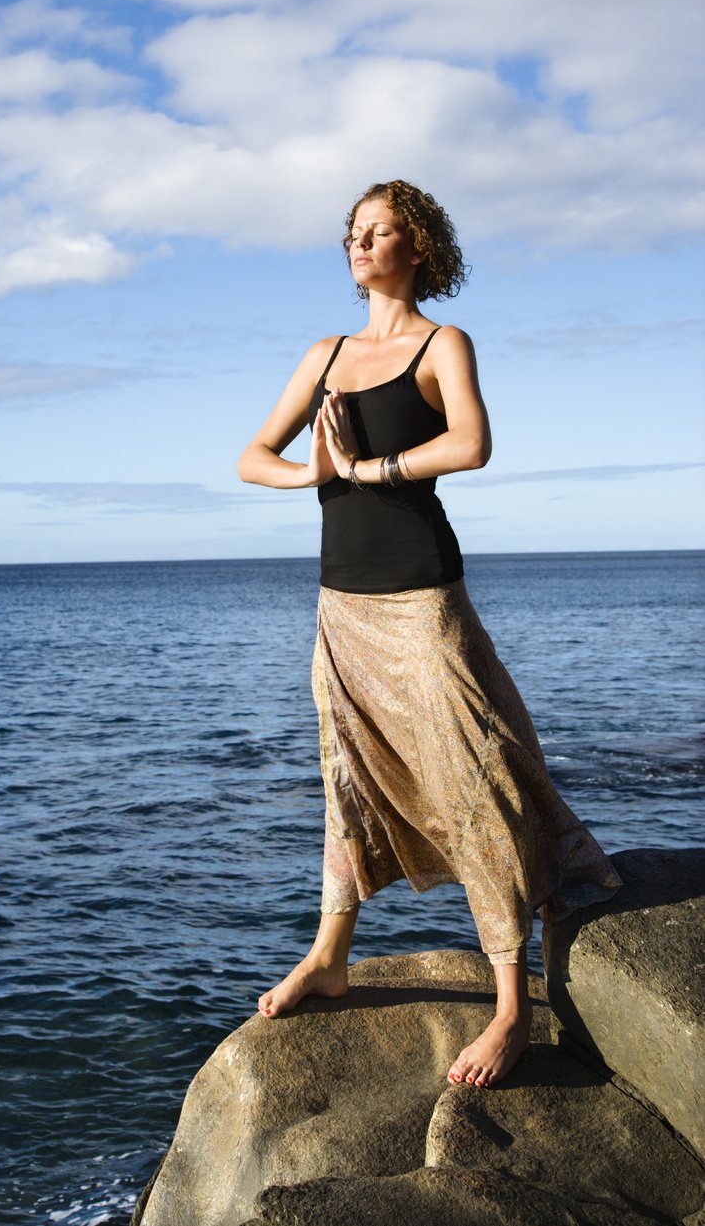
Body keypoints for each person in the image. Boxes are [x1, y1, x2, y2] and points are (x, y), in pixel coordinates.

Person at [236, 179, 622, 1087]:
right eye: (353, 234)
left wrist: (370, 467)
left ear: (420, 247)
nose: (362, 245)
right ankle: (331, 956)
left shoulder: (443, 344)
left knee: (472, 778)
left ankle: (512, 1006)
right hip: (341, 603)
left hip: (421, 597)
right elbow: (252, 457)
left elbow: (472, 443)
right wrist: (315, 473)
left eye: (381, 231)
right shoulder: (325, 353)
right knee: (349, 779)